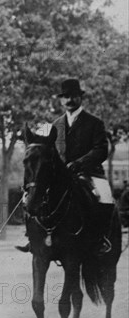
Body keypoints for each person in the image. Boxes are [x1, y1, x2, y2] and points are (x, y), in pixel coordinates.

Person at [18, 78, 113, 255]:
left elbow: (101, 150)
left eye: (73, 96)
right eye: (65, 97)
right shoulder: (55, 125)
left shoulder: (94, 123)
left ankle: (100, 238)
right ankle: (31, 237)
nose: (69, 100)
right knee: (31, 194)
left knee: (106, 195)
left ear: (80, 98)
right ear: (61, 100)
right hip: (60, 176)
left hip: (89, 173)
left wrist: (79, 163)